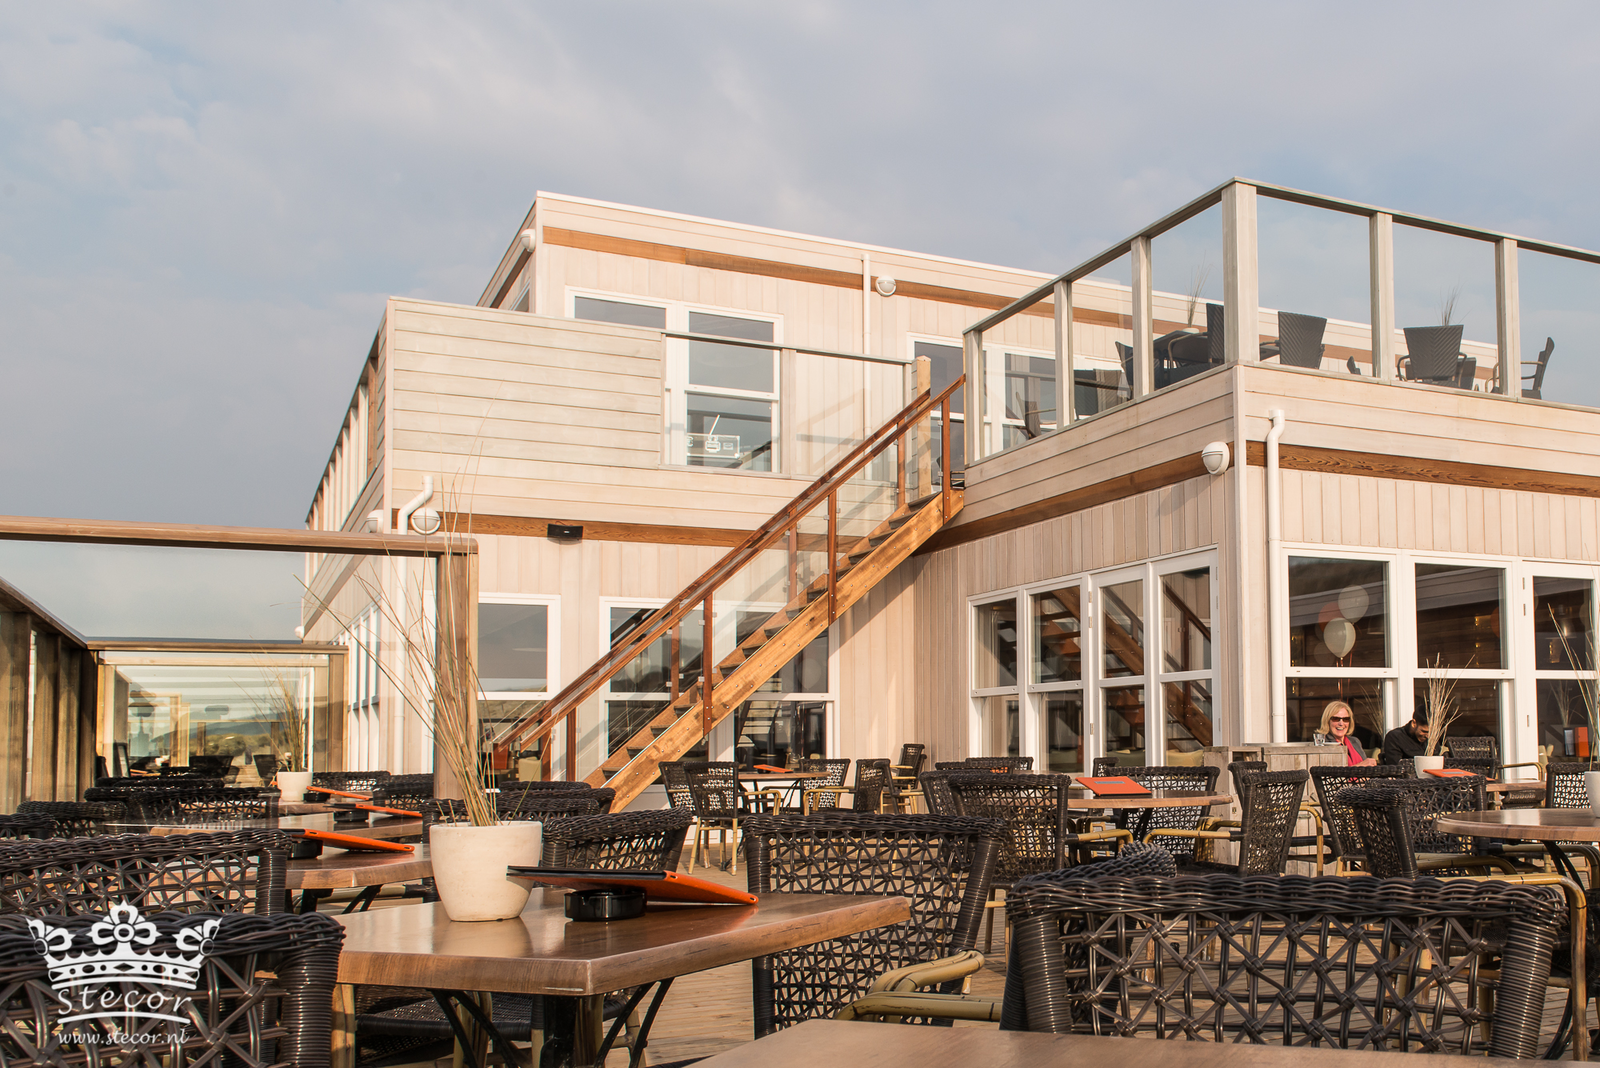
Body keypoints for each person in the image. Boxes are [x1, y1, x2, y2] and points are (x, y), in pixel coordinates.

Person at [1320, 701, 1376, 766]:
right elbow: (1333, 773)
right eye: (1336, 719)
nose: (1341, 723)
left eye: (1345, 719)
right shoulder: (1324, 744)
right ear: (1327, 721)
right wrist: (1360, 766)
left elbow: (1366, 767)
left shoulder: (1355, 741)